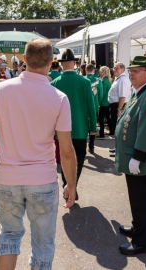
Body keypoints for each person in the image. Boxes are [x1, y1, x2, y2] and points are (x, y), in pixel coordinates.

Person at [0, 38, 77, 270]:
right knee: (43, 243)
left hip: (7, 177)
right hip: (42, 179)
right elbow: (66, 150)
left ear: (24, 59)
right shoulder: (58, 98)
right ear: (52, 63)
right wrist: (71, 183)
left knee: (8, 235)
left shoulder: (1, 89)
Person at [115, 56, 146, 255]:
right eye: (131, 70)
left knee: (140, 200)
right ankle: (138, 227)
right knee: (136, 198)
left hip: (138, 159)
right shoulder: (140, 92)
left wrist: (138, 156)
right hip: (132, 157)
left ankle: (142, 241)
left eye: (136, 70)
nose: (131, 74)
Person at [52, 48, 97, 199]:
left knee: (65, 157)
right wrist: (93, 127)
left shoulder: (55, 83)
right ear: (74, 63)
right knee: (79, 156)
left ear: (62, 64)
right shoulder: (84, 81)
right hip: (79, 128)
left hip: (61, 130)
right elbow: (91, 106)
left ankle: (67, 184)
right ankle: (72, 186)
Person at [108, 62, 131, 137]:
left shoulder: (122, 80)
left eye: (116, 68)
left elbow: (122, 96)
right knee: (116, 128)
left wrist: (119, 110)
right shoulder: (119, 79)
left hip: (119, 105)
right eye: (114, 68)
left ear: (122, 69)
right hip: (116, 105)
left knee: (119, 128)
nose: (114, 70)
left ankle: (119, 147)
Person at [85, 63, 103, 154]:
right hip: (95, 105)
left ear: (86, 70)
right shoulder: (98, 80)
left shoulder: (83, 79)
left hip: (84, 106)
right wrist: (98, 103)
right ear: (94, 70)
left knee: (84, 125)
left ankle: (84, 146)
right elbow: (101, 93)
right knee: (93, 125)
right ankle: (91, 146)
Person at [97, 66, 112, 140]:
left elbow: (101, 93)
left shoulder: (103, 81)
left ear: (103, 72)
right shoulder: (108, 80)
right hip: (107, 101)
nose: (99, 73)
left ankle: (101, 134)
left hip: (103, 102)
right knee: (107, 117)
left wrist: (99, 102)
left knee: (101, 118)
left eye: (100, 71)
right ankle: (112, 131)